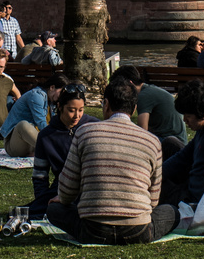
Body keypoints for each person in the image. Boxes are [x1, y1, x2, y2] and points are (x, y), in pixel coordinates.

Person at [47, 77, 179, 245]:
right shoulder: (152, 141)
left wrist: (64, 199)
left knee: (54, 209)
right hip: (138, 230)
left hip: (92, 229)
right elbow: (153, 200)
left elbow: (67, 189)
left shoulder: (84, 133)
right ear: (135, 108)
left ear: (106, 104)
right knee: (172, 211)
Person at [31, 82, 96, 219]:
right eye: (71, 110)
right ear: (60, 107)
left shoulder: (94, 127)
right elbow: (40, 175)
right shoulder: (46, 135)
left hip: (91, 186)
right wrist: (41, 199)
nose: (76, 116)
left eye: (81, 110)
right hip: (62, 188)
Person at [114, 65, 186, 157]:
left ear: (130, 83)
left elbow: (142, 131)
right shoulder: (149, 90)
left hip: (170, 143)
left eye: (121, 88)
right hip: (176, 140)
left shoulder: (143, 96)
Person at [2, 71, 66, 157]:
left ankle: (46, 150)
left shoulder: (51, 101)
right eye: (61, 93)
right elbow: (41, 124)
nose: (61, 97)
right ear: (52, 87)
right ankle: (54, 150)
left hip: (31, 143)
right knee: (23, 125)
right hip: (14, 145)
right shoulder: (36, 96)